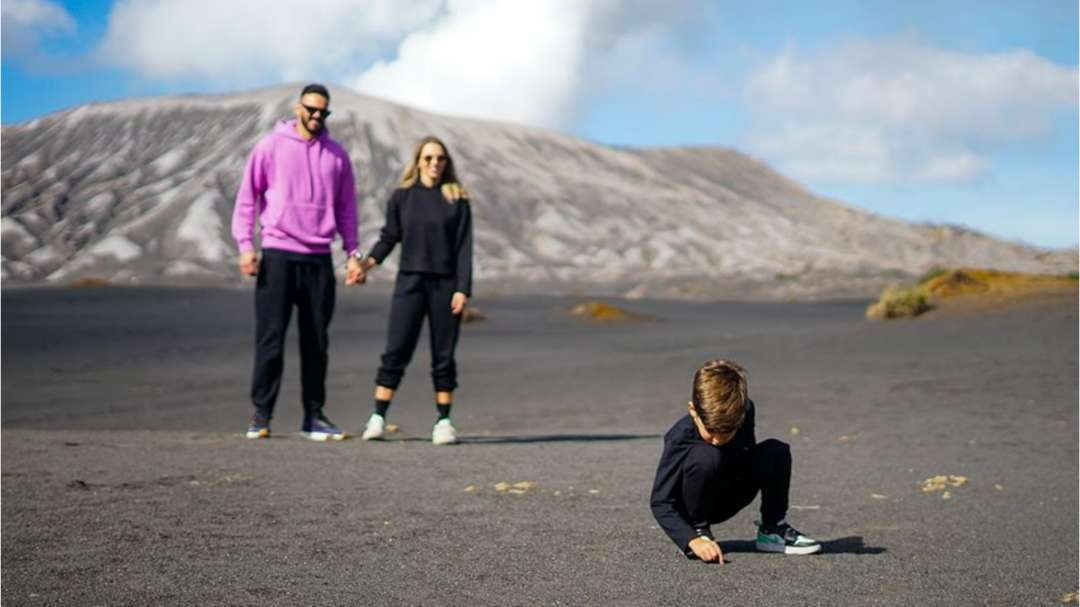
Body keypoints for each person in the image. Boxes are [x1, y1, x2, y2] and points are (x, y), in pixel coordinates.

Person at [231, 83, 365, 441]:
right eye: (310, 109)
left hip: (319, 259)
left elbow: (347, 211)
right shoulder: (270, 146)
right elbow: (248, 198)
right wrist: (246, 245)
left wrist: (353, 254)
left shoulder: (337, 156)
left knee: (316, 342)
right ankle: (261, 415)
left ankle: (314, 416)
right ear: (297, 108)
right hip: (278, 255)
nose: (316, 116)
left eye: (323, 111)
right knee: (270, 339)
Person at [356, 136, 473, 445]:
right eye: (429, 158)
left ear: (447, 164)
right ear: (418, 161)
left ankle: (443, 422)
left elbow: (464, 248)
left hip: (446, 285)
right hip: (410, 282)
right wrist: (368, 264)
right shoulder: (402, 197)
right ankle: (377, 418)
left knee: (443, 356)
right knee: (396, 350)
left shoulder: (457, 199)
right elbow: (389, 236)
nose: (435, 164)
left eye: (441, 159)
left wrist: (463, 289)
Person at [650, 359, 821, 562]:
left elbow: (746, 457)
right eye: (710, 432)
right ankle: (700, 531)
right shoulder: (680, 437)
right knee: (708, 455)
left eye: (727, 432)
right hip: (693, 507)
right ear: (693, 411)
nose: (716, 440)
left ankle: (773, 528)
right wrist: (690, 540)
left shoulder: (745, 410)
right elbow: (660, 502)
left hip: (729, 491)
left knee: (776, 450)